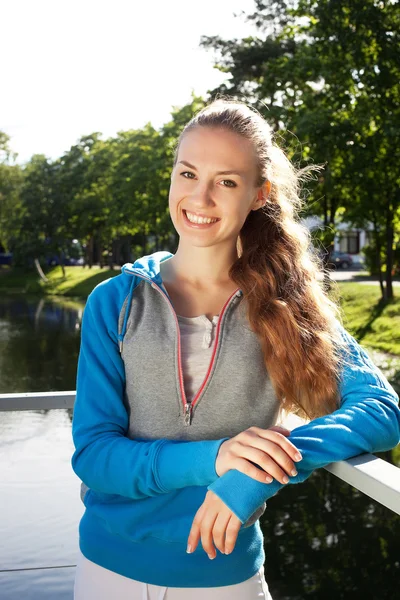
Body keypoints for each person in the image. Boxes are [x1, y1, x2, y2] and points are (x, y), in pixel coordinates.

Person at [71, 98, 400, 600]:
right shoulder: (114, 302)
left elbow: (381, 410)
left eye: (225, 181)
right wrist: (218, 457)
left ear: (257, 195)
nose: (199, 198)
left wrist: (254, 474)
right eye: (187, 174)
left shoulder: (286, 305)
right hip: (106, 573)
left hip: (225, 579)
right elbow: (95, 456)